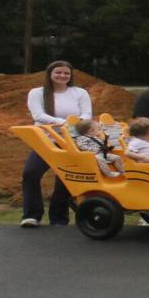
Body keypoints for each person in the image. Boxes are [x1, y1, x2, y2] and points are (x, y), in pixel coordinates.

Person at [21, 61, 91, 227]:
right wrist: (64, 122)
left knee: (64, 179)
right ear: (50, 74)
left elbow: (87, 115)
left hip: (70, 142)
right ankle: (32, 215)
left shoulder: (79, 93)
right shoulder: (37, 93)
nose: (62, 76)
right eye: (58, 72)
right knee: (30, 173)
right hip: (45, 141)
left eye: (66, 73)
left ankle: (59, 219)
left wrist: (74, 123)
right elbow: (38, 115)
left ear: (71, 76)